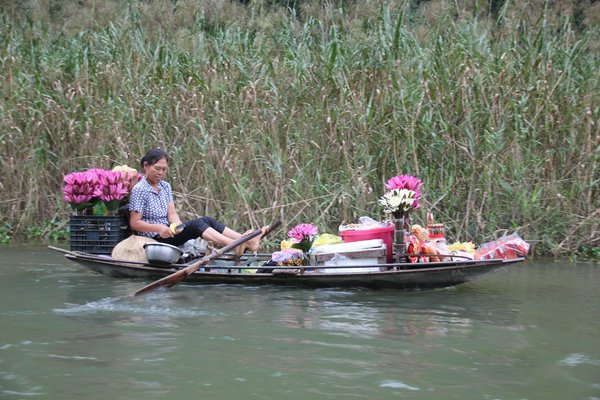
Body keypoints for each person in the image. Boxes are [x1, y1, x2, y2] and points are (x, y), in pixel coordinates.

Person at [128, 147, 263, 255]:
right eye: (157, 168)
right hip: (154, 238)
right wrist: (159, 228)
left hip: (169, 233)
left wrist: (178, 226)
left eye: (164, 170)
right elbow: (135, 223)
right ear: (146, 166)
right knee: (197, 225)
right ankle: (233, 244)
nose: (161, 173)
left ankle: (244, 240)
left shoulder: (165, 186)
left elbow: (172, 214)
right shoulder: (140, 189)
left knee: (207, 219)